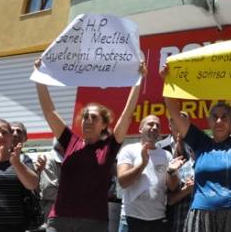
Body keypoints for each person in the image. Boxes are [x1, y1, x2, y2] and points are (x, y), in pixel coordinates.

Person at [35, 58, 146, 232]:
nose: (88, 120)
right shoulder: (70, 141)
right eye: (86, 116)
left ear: (104, 125)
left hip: (93, 223)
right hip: (59, 221)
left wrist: (138, 78)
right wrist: (39, 76)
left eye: (94, 117)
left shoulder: (108, 147)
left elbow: (127, 113)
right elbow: (49, 111)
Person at [161, 63, 231, 231]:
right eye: (215, 117)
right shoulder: (200, 141)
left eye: (224, 117)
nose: (219, 121)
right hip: (202, 214)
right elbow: (174, 111)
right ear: (209, 122)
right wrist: (168, 81)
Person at [117, 115, 185, 232]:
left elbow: (172, 186)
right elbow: (123, 182)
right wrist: (143, 164)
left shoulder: (166, 155)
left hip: (157, 220)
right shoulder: (129, 150)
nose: (154, 127)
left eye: (158, 126)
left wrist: (171, 171)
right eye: (150, 124)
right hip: (131, 218)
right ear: (140, 129)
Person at [0, 119, 39, 231]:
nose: (0, 136)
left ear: (10, 137)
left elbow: (32, 184)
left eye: (4, 132)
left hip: (16, 226)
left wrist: (16, 163)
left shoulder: (22, 160)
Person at [157, 114, 195, 232]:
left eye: (183, 122)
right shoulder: (160, 147)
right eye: (176, 122)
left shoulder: (195, 144)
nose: (180, 125)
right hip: (170, 214)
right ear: (169, 126)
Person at [38, 138, 65, 227]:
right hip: (54, 220)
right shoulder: (48, 160)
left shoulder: (68, 161)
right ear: (62, 145)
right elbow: (49, 191)